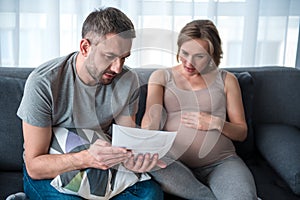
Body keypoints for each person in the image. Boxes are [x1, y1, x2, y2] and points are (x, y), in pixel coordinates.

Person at [17, 7, 165, 200]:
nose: (118, 68)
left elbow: (126, 139)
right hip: (54, 168)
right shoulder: (43, 82)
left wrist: (134, 159)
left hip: (101, 164)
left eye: (124, 58)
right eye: (110, 56)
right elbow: (35, 166)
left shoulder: (128, 80)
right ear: (85, 47)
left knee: (151, 195)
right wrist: (86, 157)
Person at [141, 20, 258, 200]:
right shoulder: (161, 76)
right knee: (153, 165)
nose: (189, 62)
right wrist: (146, 136)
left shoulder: (227, 80)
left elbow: (241, 132)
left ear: (213, 55)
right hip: (174, 163)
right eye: (185, 53)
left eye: (199, 56)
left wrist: (215, 122)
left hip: (221, 162)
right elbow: (151, 118)